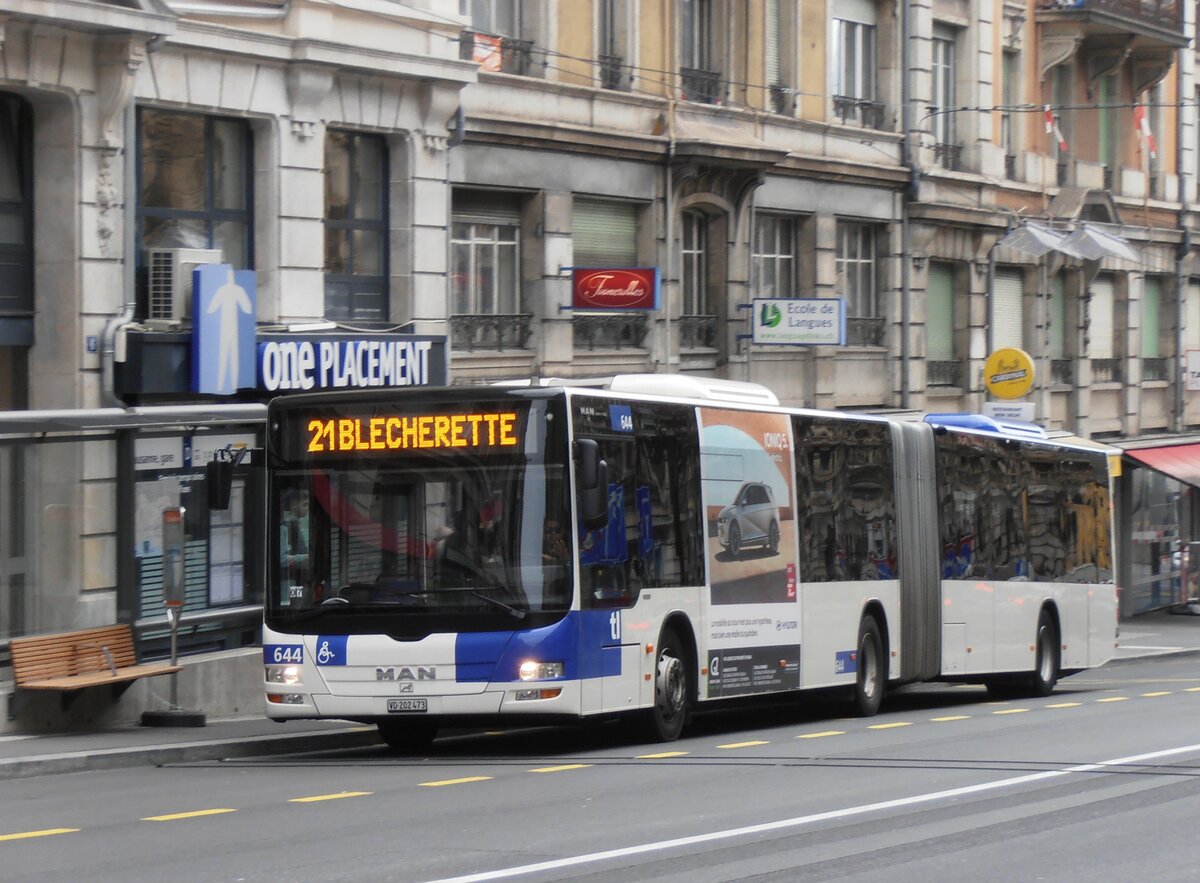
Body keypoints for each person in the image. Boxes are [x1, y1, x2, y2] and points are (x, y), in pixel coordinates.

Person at [281, 490, 310, 581]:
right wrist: (306, 557)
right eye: (305, 504)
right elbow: (282, 559)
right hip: (289, 577)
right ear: (294, 505)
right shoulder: (285, 525)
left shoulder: (296, 523)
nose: (308, 508)